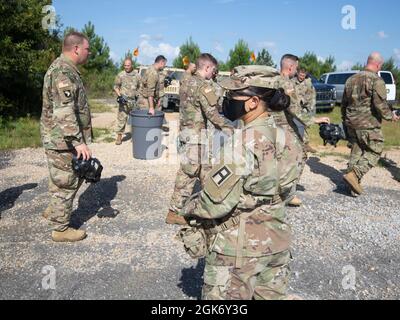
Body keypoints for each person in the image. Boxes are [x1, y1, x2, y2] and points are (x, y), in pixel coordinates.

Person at [179, 65, 303, 300]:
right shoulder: (289, 138)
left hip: (237, 251)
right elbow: (287, 193)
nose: (226, 100)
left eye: (233, 95)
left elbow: (216, 203)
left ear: (253, 101)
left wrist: (187, 209)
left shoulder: (241, 143)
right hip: (277, 244)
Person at [166, 54, 234, 225]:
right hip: (196, 136)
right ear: (207, 68)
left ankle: (211, 206)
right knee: (189, 172)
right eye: (213, 70)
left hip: (187, 133)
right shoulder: (203, 86)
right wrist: (229, 128)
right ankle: (174, 211)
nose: (214, 73)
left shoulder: (186, 80)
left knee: (206, 171)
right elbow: (212, 113)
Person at [41, 32, 92, 242]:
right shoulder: (63, 71)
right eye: (88, 49)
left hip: (60, 138)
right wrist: (78, 141)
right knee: (66, 181)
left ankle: (55, 211)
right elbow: (64, 110)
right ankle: (60, 229)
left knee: (62, 178)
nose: (89, 53)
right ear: (77, 48)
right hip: (63, 139)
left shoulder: (65, 68)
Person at [342, 52, 399, 196]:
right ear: (379, 65)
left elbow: (343, 103)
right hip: (368, 124)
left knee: (356, 151)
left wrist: (345, 120)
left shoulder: (351, 79)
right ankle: (355, 174)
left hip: (351, 122)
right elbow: (380, 104)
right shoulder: (376, 80)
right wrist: (390, 116)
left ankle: (352, 186)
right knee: (375, 150)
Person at [276, 54, 330, 207]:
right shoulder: (286, 84)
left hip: (274, 127)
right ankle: (286, 194)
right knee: (297, 157)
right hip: (285, 127)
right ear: (291, 67)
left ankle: (280, 192)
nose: (297, 71)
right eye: (296, 68)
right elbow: (294, 109)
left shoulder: (273, 80)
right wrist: (314, 120)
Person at [114, 58, 140, 145]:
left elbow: (140, 87)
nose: (126, 67)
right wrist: (119, 96)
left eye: (128, 65)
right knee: (122, 119)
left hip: (134, 101)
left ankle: (135, 136)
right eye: (125, 65)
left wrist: (139, 97)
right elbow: (116, 86)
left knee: (135, 120)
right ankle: (119, 136)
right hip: (124, 101)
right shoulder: (120, 75)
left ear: (131, 65)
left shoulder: (137, 75)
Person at [293, 68, 317, 153]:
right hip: (293, 108)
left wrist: (309, 104)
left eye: (303, 75)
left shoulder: (308, 83)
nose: (302, 77)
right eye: (300, 75)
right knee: (296, 126)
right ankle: (299, 145)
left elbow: (311, 95)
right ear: (297, 73)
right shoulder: (292, 82)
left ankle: (305, 144)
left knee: (303, 125)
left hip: (303, 108)